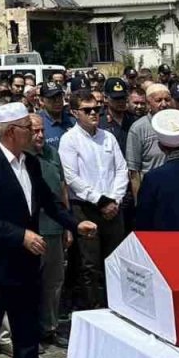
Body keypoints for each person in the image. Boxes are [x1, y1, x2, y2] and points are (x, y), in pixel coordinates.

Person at [0, 103, 96, 358]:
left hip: (25, 268)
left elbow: (49, 201)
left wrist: (74, 224)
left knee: (27, 338)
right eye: (28, 127)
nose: (35, 132)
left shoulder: (32, 164)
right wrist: (21, 235)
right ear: (12, 131)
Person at [58, 91, 126, 311]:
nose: (93, 114)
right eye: (87, 110)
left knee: (115, 259)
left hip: (113, 208)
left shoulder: (108, 137)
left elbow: (121, 169)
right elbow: (72, 178)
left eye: (96, 109)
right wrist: (100, 200)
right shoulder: (69, 140)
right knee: (90, 264)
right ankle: (94, 307)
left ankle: (118, 304)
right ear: (75, 112)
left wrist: (114, 199)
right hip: (86, 208)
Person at [26, 112, 71, 350]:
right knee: (33, 283)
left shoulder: (53, 154)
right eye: (34, 131)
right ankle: (30, 331)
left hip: (55, 228)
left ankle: (49, 328)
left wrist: (68, 225)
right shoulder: (21, 158)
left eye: (42, 130)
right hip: (33, 230)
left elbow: (62, 189)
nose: (40, 135)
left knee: (54, 282)